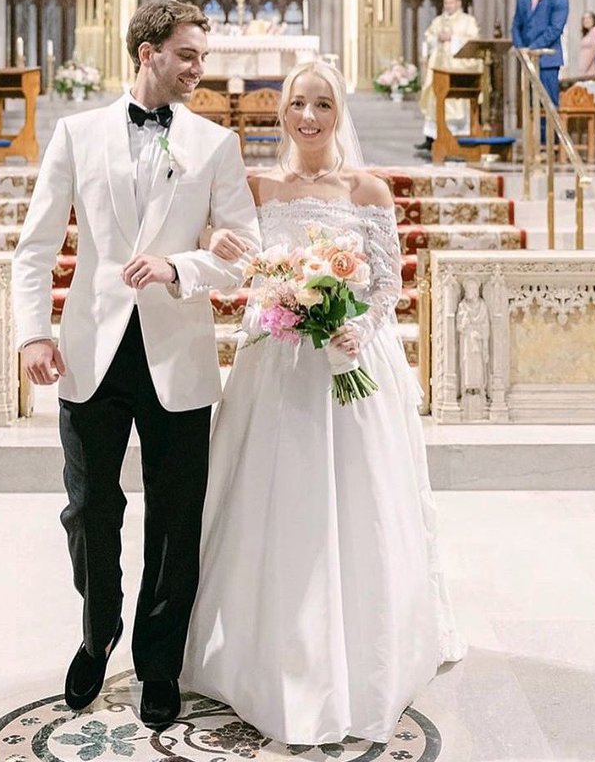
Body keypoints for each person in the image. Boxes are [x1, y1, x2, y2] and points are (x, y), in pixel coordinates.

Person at [183, 60, 465, 745]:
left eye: (322, 105)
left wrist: (352, 331)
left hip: (347, 366)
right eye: (297, 104)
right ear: (281, 112)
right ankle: (264, 656)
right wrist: (219, 251)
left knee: (356, 506)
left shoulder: (367, 189)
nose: (308, 117)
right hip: (274, 368)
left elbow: (387, 286)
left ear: (340, 114)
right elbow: (234, 259)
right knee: (271, 507)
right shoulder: (257, 185)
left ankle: (360, 653)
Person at [11, 1, 260, 730]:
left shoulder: (214, 144)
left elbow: (241, 248)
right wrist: (33, 333)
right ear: (148, 52)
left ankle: (159, 661)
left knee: (176, 518)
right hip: (91, 350)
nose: (199, 69)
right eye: (187, 55)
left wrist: (182, 265)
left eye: (201, 57)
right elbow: (34, 247)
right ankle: (98, 634)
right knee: (90, 510)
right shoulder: (76, 133)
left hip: (175, 353)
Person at [415, 0, 480, 152]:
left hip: (459, 69)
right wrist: (437, 38)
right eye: (446, 3)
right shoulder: (438, 21)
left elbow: (474, 41)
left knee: (457, 102)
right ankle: (432, 138)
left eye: (451, 3)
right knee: (435, 101)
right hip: (439, 68)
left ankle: (459, 138)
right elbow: (428, 37)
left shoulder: (468, 21)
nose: (448, 6)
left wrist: (454, 38)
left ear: (458, 3)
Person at [511, 0, 569, 106]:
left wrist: (531, 48)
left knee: (547, 103)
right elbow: (516, 25)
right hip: (526, 58)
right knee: (529, 104)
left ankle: (547, 131)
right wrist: (520, 47)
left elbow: (555, 28)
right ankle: (532, 131)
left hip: (547, 59)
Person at [576, 11, 595, 77]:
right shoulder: (587, 33)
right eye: (584, 19)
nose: (586, 20)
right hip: (584, 67)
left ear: (594, 19)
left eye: (589, 18)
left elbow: (594, 49)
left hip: (590, 67)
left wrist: (585, 67)